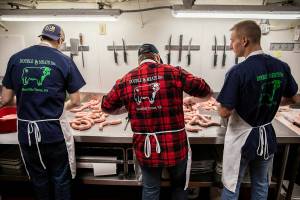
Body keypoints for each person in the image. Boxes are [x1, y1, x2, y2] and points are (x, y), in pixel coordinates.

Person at [101, 43, 212, 200]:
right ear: (157, 57)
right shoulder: (174, 72)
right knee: (179, 186)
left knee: (151, 188)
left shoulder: (125, 80)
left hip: (146, 147)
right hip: (175, 144)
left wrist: (129, 106)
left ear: (139, 60)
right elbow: (206, 90)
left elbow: (106, 106)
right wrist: (190, 97)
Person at [1, 24, 86, 200]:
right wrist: (62, 108)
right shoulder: (64, 61)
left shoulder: (16, 58)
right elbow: (77, 100)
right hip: (54, 132)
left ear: (41, 37)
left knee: (39, 179)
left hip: (27, 135)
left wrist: (28, 98)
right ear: (60, 40)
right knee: (60, 179)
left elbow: (6, 99)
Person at [216, 20, 299, 200]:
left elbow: (224, 111)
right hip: (266, 136)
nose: (231, 45)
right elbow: (295, 98)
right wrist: (271, 101)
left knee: (232, 185)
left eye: (232, 40)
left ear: (244, 40)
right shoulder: (281, 66)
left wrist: (221, 105)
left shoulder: (238, 71)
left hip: (242, 140)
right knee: (261, 184)